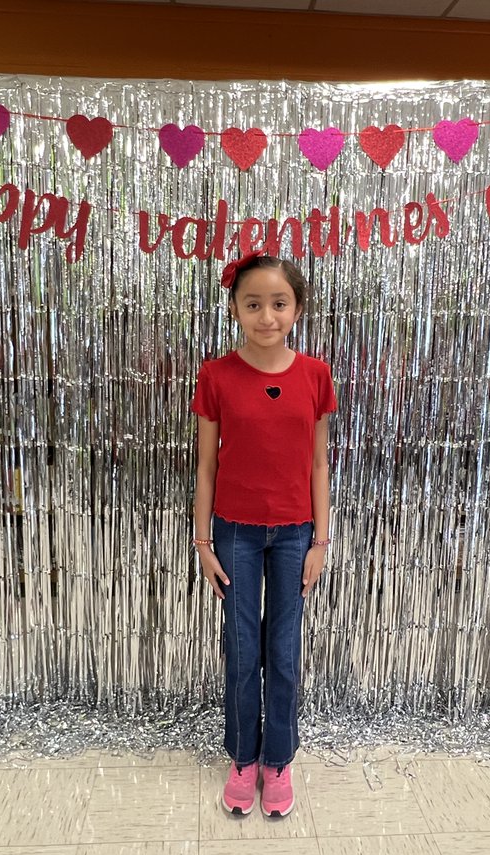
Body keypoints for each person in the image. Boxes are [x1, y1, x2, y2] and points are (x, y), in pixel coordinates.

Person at [191, 251, 336, 818]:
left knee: (282, 649)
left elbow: (319, 464)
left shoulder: (315, 374)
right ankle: (242, 757)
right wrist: (202, 542)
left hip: (296, 533)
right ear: (234, 308)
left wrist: (321, 541)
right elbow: (205, 466)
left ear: (297, 309)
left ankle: (277, 758)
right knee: (242, 646)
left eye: (279, 303)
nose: (266, 316)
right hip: (234, 533)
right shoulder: (217, 375)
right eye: (253, 304)